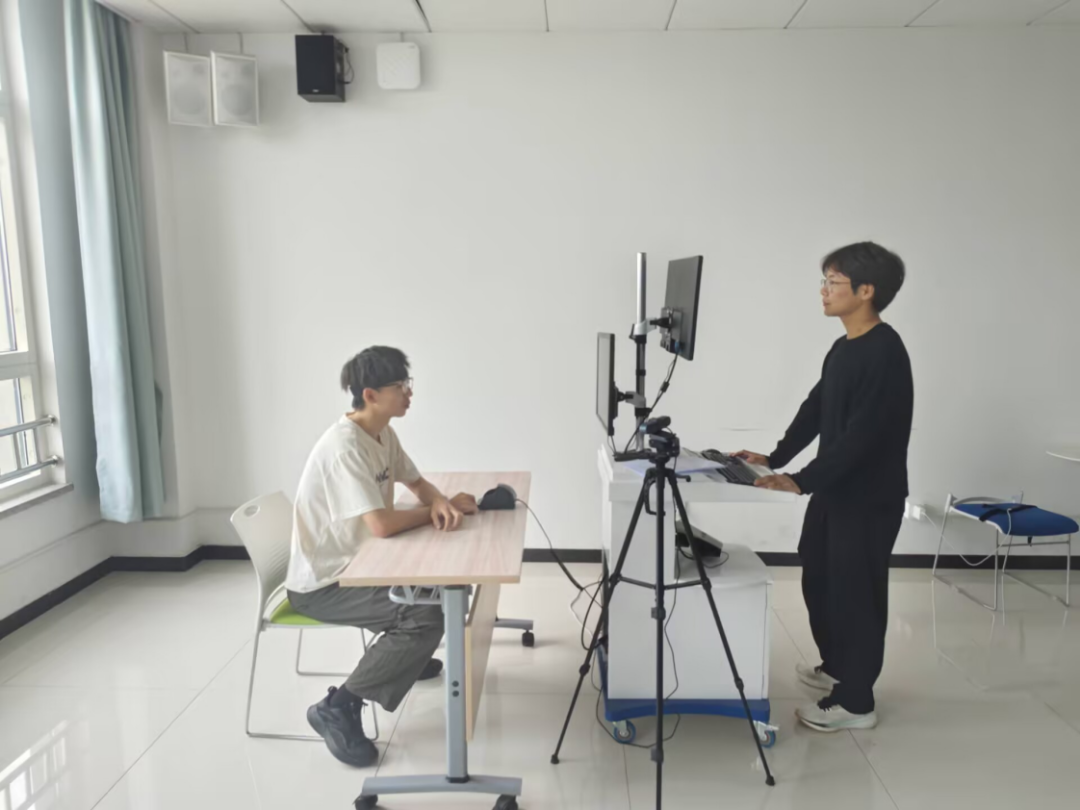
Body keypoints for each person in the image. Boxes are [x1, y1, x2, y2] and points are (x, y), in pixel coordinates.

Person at [735, 242, 913, 732]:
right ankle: (837, 667)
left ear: (866, 291)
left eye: (833, 282)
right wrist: (775, 458)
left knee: (856, 594)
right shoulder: (844, 346)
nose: (824, 291)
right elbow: (816, 408)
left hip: (869, 497)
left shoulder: (885, 351)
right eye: (825, 281)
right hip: (836, 489)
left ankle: (856, 702)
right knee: (819, 576)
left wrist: (801, 480)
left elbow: (863, 436)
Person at [285, 346, 479, 766]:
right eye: (401, 386)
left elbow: (417, 482)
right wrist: (433, 511)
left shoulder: (382, 432)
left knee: (438, 588)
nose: (409, 393)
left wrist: (440, 501)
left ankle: (404, 659)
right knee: (427, 613)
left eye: (408, 384)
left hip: (362, 563)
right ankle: (338, 706)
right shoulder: (345, 448)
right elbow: (382, 526)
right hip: (325, 583)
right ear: (370, 395)